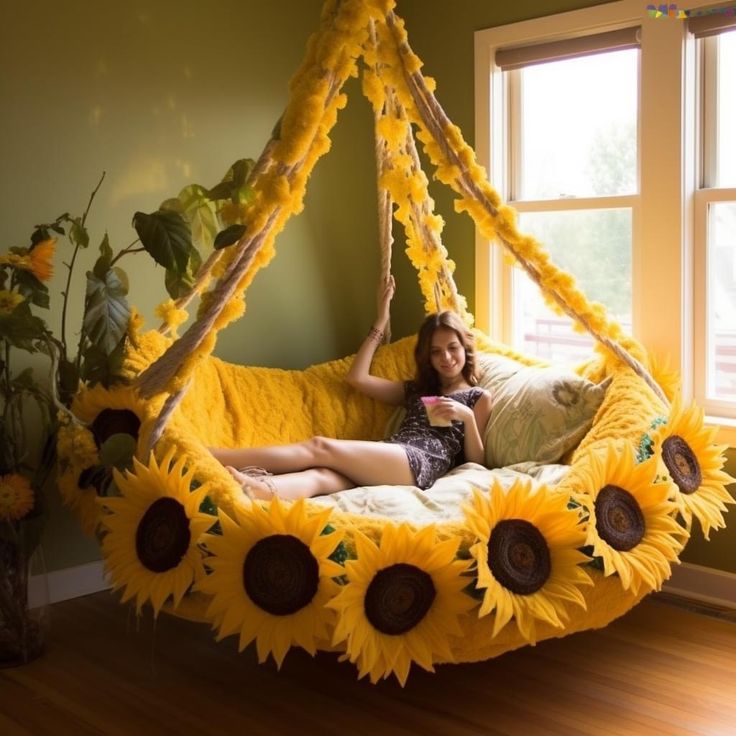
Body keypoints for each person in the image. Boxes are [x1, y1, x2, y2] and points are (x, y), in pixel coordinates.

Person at [210, 275, 493, 500]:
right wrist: (380, 322)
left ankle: (215, 456)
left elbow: (477, 462)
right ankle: (260, 490)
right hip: (393, 453)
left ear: (465, 348)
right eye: (436, 351)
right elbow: (357, 378)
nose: (446, 358)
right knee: (322, 475)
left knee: (319, 446)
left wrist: (466, 417)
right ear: (427, 357)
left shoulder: (477, 397)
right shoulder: (418, 391)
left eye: (452, 348)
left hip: (421, 462)